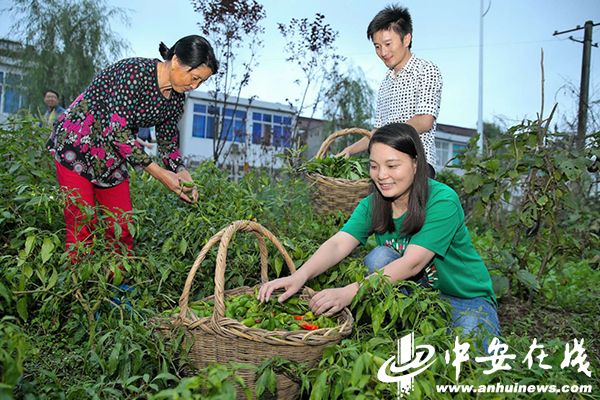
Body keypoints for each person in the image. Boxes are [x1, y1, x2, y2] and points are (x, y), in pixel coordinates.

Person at [259, 123, 500, 351]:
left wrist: (348, 292)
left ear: (416, 163)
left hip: (464, 297)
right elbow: (338, 243)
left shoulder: (441, 200)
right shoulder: (374, 203)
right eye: (374, 166)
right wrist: (300, 275)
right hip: (415, 293)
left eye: (392, 166)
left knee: (477, 362)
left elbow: (412, 263)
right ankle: (404, 326)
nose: (382, 175)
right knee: (380, 258)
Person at [46, 35, 218, 261]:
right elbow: (118, 133)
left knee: (121, 228)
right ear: (175, 61)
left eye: (201, 82)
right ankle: (76, 291)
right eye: (194, 77)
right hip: (77, 147)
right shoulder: (134, 73)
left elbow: (167, 142)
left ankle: (118, 288)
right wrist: (161, 175)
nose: (194, 86)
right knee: (82, 227)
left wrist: (182, 174)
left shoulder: (176, 99)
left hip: (112, 157)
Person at [337, 5, 442, 178]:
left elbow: (424, 120)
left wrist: (386, 138)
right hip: (385, 167)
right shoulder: (385, 83)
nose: (383, 52)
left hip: (415, 164)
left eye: (387, 44)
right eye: (377, 46)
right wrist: (350, 150)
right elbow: (377, 131)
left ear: (406, 39)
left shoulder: (426, 70)